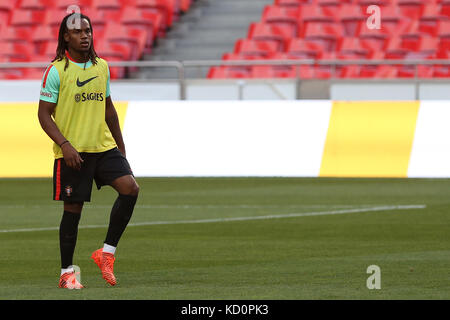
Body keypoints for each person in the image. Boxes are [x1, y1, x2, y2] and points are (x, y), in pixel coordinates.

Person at [38, 12, 139, 289]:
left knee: (131, 189)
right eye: (78, 32)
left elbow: (108, 108)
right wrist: (65, 145)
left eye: (88, 31)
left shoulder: (102, 67)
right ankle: (66, 273)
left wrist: (121, 147)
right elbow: (44, 115)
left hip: (104, 147)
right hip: (73, 152)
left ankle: (106, 254)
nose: (85, 36)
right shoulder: (56, 71)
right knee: (73, 212)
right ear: (65, 37)